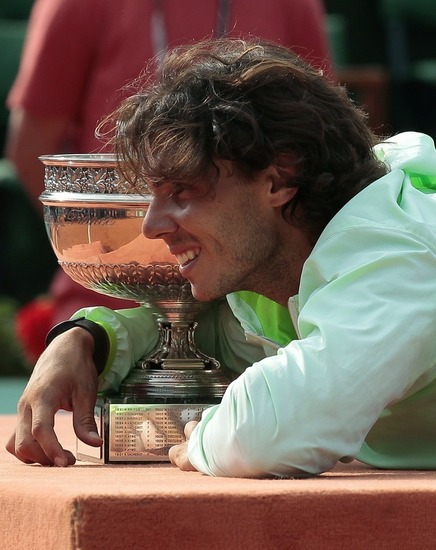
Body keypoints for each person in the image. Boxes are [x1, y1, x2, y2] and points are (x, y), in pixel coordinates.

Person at [9, 37, 436, 479]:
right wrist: (86, 339)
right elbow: (214, 335)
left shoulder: (396, 253)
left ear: (279, 178)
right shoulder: (285, 268)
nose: (151, 226)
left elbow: (268, 439)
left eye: (182, 190)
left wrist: (203, 438)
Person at [5, 0, 332, 326]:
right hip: (108, 300)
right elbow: (31, 151)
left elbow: (317, 136)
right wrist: (116, 243)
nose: (153, 225)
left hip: (255, 304)